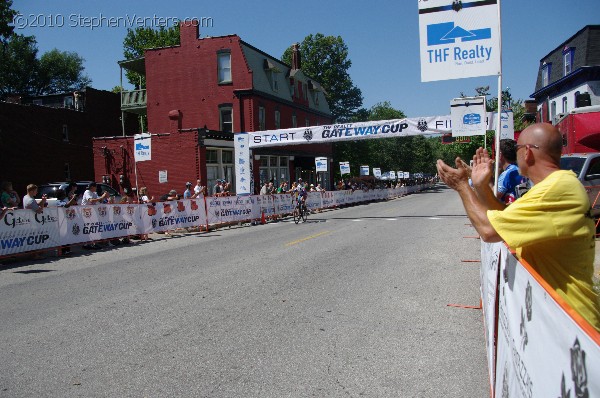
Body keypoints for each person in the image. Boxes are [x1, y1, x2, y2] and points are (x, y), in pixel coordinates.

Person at [436, 123, 600, 331]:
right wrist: (480, 186)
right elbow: (505, 218)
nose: (514, 154)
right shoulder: (553, 186)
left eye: (517, 148)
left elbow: (489, 231)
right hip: (559, 316)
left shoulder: (556, 189)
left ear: (528, 152)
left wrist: (461, 186)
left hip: (572, 323)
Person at [496, 139, 526, 205]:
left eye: (496, 153)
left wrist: (489, 178)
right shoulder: (521, 169)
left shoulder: (507, 174)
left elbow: (493, 197)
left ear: (500, 155)